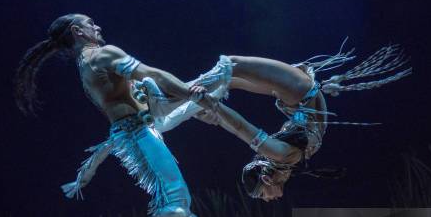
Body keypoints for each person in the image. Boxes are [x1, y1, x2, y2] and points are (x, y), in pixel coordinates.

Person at [13, 13, 223, 217]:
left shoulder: (85, 65)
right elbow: (154, 74)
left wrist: (191, 105)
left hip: (139, 127)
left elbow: (141, 96)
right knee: (173, 193)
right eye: (91, 23)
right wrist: (191, 94)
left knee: (219, 80)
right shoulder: (102, 55)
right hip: (136, 131)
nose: (97, 26)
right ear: (79, 31)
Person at [143, 42, 411, 201]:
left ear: (266, 181)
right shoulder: (286, 160)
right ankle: (165, 102)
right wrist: (209, 109)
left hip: (298, 89)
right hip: (298, 90)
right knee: (230, 77)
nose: (269, 199)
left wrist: (210, 108)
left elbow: (239, 127)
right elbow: (237, 126)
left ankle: (163, 99)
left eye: (262, 195)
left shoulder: (278, 155)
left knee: (231, 69)